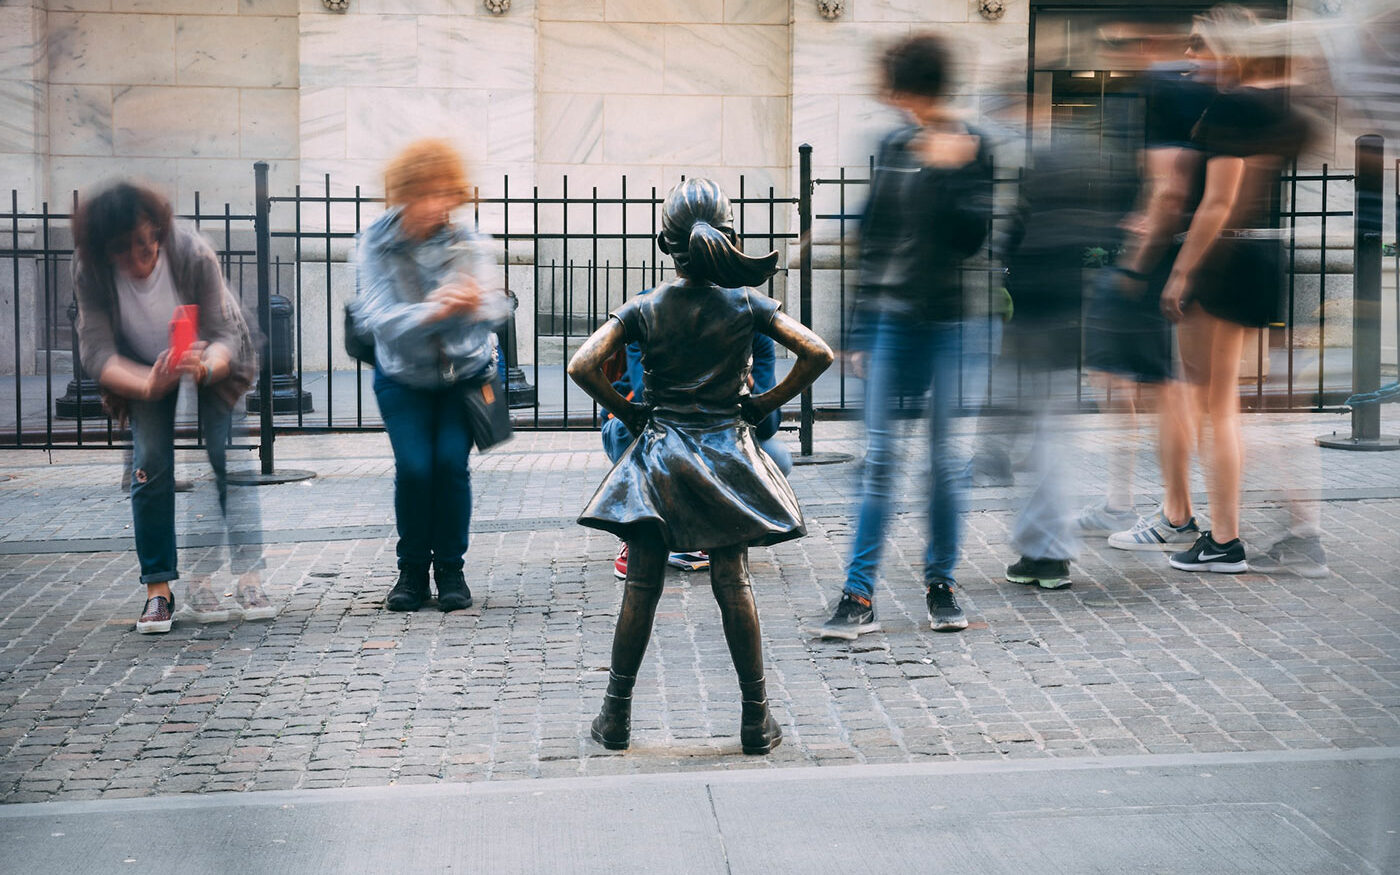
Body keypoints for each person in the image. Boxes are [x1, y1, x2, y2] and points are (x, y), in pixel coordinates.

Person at [568, 178, 833, 755]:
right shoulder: (746, 304)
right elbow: (817, 353)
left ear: (667, 245)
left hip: (659, 456)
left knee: (641, 585)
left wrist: (631, 413)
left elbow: (583, 363)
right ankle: (755, 719)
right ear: (728, 234)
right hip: (724, 457)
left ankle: (615, 716)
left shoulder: (644, 307)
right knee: (732, 582)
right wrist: (764, 402)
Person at [808, 32, 992, 638]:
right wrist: (858, 326)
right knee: (883, 458)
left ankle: (941, 583)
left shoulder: (971, 145)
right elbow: (876, 234)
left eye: (896, 87)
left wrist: (946, 174)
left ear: (916, 87)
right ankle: (857, 596)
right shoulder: (892, 142)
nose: (890, 99)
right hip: (891, 321)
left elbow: (971, 238)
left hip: (948, 324)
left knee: (945, 461)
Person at [74, 181, 270, 634]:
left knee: (228, 458)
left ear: (158, 231)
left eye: (147, 242)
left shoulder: (189, 250)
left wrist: (203, 367)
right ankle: (158, 590)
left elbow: (224, 334)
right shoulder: (91, 271)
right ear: (105, 251)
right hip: (140, 364)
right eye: (126, 250)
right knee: (150, 462)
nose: (142, 258)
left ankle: (249, 577)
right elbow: (97, 353)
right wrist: (148, 383)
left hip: (208, 355)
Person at [1159, 6, 1312, 574]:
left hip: (1221, 262)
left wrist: (1181, 272)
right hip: (1257, 257)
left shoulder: (1233, 106)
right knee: (1219, 403)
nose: (1193, 57)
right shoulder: (1272, 107)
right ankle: (1219, 533)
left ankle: (1222, 538)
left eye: (1202, 45)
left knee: (1211, 403)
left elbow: (1218, 202)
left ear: (1231, 49)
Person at [353, 139, 509, 611]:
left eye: (447, 194)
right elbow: (375, 318)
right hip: (403, 376)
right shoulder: (376, 243)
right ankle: (411, 571)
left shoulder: (467, 240)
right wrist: (434, 311)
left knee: (449, 466)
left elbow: (499, 306)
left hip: (465, 374)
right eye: (428, 193)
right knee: (416, 468)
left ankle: (451, 570)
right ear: (406, 193)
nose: (439, 205)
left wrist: (475, 303)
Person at [1086, 33, 1216, 554]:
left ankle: (1174, 513)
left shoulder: (1162, 91)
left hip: (1158, 260)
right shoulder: (1191, 91)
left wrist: (1136, 267)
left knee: (1165, 388)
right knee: (1165, 387)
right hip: (1182, 254)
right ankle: (1158, 507)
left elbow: (1170, 189)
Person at [602, 313, 793, 579]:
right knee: (630, 434)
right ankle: (638, 528)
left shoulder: (753, 330)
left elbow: (769, 425)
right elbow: (647, 405)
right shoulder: (653, 315)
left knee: (776, 458)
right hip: (656, 425)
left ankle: (704, 528)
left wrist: (742, 375)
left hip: (715, 432)